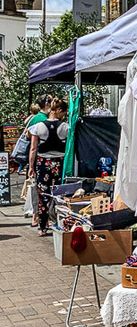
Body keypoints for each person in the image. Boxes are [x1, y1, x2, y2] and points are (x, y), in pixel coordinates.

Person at [28, 98, 68, 237]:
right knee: (60, 194)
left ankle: (42, 227)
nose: (64, 115)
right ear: (58, 111)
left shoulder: (38, 127)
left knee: (43, 196)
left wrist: (31, 166)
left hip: (42, 164)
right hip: (59, 163)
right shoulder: (65, 127)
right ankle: (60, 223)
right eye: (64, 112)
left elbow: (33, 149)